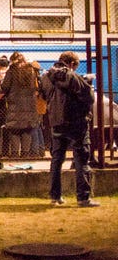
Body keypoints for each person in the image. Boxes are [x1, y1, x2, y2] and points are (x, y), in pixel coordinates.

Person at [40, 51, 99, 207]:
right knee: (82, 160)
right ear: (72, 64)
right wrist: (88, 84)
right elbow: (89, 98)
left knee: (57, 160)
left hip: (56, 122)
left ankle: (55, 196)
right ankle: (83, 198)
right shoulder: (73, 77)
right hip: (76, 123)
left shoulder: (46, 77)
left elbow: (45, 96)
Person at [0, 52, 39, 157]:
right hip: (30, 104)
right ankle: (26, 153)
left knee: (14, 129)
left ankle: (15, 153)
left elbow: (5, 87)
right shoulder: (31, 71)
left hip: (14, 104)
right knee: (27, 129)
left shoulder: (12, 71)